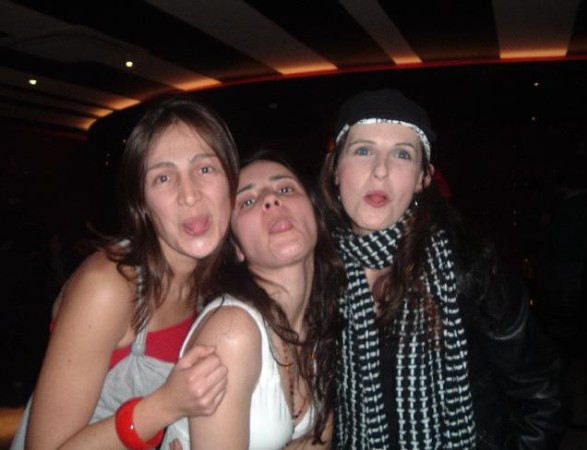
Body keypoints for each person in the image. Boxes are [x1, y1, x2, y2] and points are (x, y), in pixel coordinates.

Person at [318, 88, 563, 449]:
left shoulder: (468, 265)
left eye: (402, 154)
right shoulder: (316, 272)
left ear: (423, 178)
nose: (381, 170)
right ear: (336, 170)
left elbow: (541, 395)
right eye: (363, 150)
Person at [12, 95, 238, 450]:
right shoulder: (109, 286)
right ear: (142, 204)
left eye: (205, 169)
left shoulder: (206, 285)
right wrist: (164, 406)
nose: (189, 194)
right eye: (164, 177)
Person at [163, 150, 345, 449]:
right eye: (247, 201)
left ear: (315, 214)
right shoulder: (233, 330)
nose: (271, 199)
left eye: (285, 189)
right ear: (236, 247)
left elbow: (317, 440)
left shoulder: (317, 323)